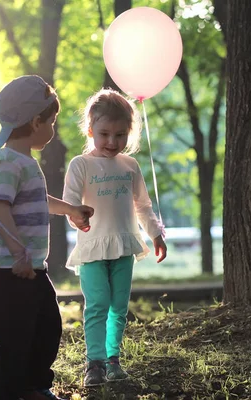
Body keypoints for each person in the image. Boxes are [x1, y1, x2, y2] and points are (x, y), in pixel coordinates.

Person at [0, 75, 94, 400]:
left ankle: (33, 386)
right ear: (35, 121)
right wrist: (18, 252)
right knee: (15, 337)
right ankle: (7, 392)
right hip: (5, 269)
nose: (53, 129)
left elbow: (38, 200)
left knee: (47, 325)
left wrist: (70, 209)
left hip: (27, 267)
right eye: (51, 121)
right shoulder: (9, 164)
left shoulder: (26, 162)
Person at [62, 88, 168, 387]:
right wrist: (76, 214)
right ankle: (93, 363)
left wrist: (156, 234)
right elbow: (69, 202)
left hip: (123, 244)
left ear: (129, 133)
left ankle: (113, 360)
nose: (112, 142)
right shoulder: (80, 165)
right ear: (90, 129)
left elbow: (142, 205)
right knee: (97, 303)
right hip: (93, 247)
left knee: (118, 306)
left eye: (120, 135)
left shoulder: (130, 166)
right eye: (104, 133)